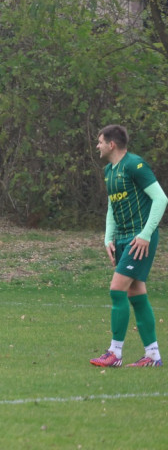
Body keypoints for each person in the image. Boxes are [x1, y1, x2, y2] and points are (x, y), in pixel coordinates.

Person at [90, 124, 167, 368]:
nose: (97, 146)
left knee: (117, 289)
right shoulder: (109, 171)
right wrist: (107, 238)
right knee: (136, 295)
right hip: (122, 238)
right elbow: (113, 206)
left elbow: (161, 199)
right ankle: (153, 355)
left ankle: (115, 353)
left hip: (138, 239)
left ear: (111, 144)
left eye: (100, 141)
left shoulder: (135, 165)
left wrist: (145, 235)